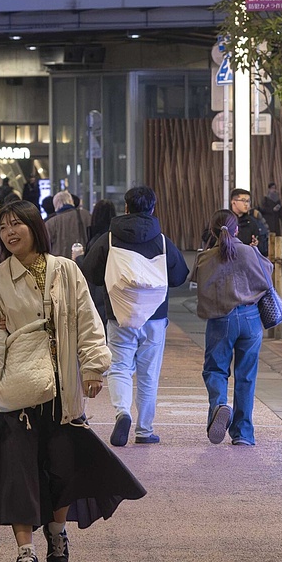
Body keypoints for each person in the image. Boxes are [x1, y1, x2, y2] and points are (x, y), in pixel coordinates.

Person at [0, 201, 140, 562]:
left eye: (18, 224)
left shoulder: (65, 270)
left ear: (35, 227)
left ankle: (57, 532)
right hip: (18, 388)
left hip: (63, 390)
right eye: (4, 227)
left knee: (62, 468)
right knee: (18, 472)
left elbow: (87, 317)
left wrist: (95, 366)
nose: (10, 232)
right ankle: (24, 551)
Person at [80, 185, 187, 447]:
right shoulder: (161, 240)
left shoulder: (109, 238)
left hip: (118, 313)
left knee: (119, 367)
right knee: (149, 373)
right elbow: (179, 275)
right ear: (152, 208)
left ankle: (122, 412)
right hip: (154, 316)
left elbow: (91, 274)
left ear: (126, 208)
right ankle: (144, 429)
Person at [194, 210, 276, 447]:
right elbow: (267, 276)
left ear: (212, 231)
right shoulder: (250, 252)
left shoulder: (205, 258)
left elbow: (198, 282)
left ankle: (220, 403)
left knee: (215, 370)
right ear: (237, 230)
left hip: (221, 319)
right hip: (250, 318)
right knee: (246, 376)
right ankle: (243, 434)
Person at [43, 191, 88, 260]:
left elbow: (44, 245)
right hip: (83, 260)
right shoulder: (86, 216)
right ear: (71, 201)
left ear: (55, 204)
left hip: (59, 264)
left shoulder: (51, 222)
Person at [228, 187, 269, 260]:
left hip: (247, 261)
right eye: (243, 201)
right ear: (233, 202)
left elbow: (263, 247)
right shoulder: (224, 219)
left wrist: (256, 244)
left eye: (248, 201)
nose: (246, 204)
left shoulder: (252, 222)